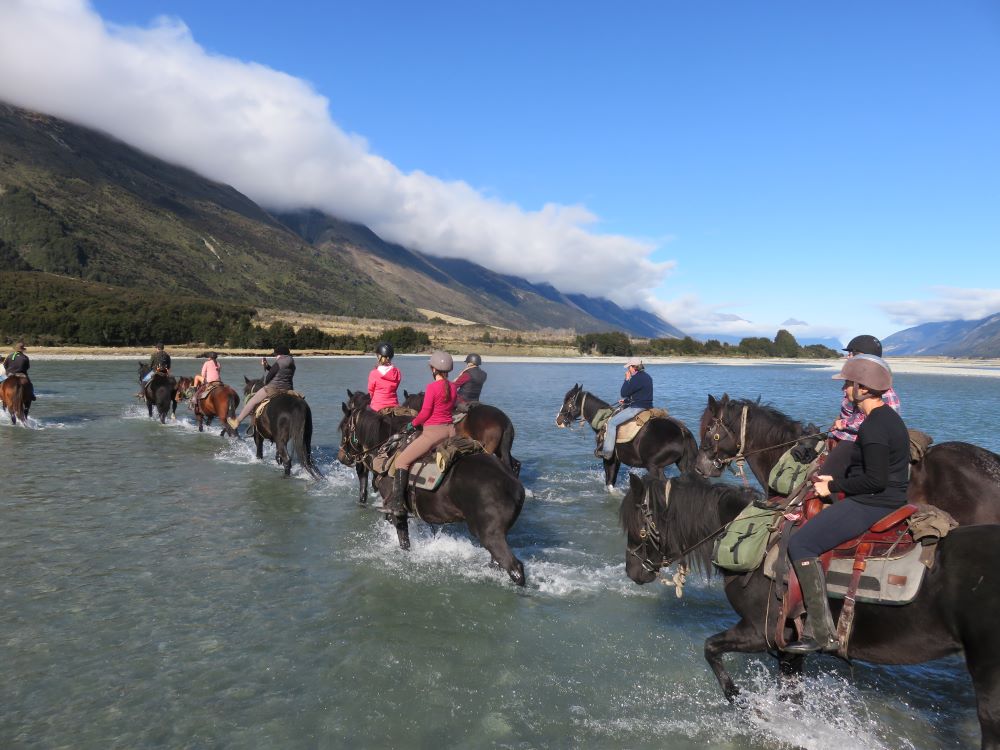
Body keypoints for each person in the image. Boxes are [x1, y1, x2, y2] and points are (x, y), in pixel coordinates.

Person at [784, 354, 910, 654]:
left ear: (864, 389)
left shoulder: (874, 427)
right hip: (879, 497)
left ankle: (821, 633)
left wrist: (833, 485)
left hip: (875, 502)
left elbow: (875, 481)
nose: (845, 391)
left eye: (849, 385)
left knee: (801, 544)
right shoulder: (885, 419)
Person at [378, 350, 457, 517]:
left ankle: (398, 505)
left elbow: (425, 413)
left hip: (433, 433)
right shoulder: (453, 387)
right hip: (451, 431)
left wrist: (411, 425)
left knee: (402, 461)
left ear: (433, 369)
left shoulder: (432, 387)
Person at [824, 335, 901, 480]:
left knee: (823, 477)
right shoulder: (857, 381)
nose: (848, 357)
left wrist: (844, 424)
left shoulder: (881, 391)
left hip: (855, 441)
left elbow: (877, 424)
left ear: (864, 356)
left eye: (852, 353)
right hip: (845, 436)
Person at [226, 345, 295, 431]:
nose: (275, 357)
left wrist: (265, 383)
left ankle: (237, 421)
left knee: (252, 401)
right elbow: (279, 372)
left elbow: (269, 377)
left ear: (280, 354)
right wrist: (267, 366)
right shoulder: (292, 362)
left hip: (274, 388)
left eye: (276, 355)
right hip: (288, 389)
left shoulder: (279, 362)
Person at [597, 357, 654, 460]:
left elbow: (623, 393)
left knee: (611, 423)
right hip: (647, 406)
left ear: (634, 367)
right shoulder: (647, 377)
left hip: (637, 408)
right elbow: (641, 395)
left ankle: (607, 453)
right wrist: (626, 401)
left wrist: (627, 379)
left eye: (629, 367)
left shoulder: (636, 378)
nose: (628, 370)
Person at [367, 342, 402, 411]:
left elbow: (370, 391)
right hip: (394, 405)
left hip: (377, 407)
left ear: (379, 356)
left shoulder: (374, 373)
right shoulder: (397, 372)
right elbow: (395, 388)